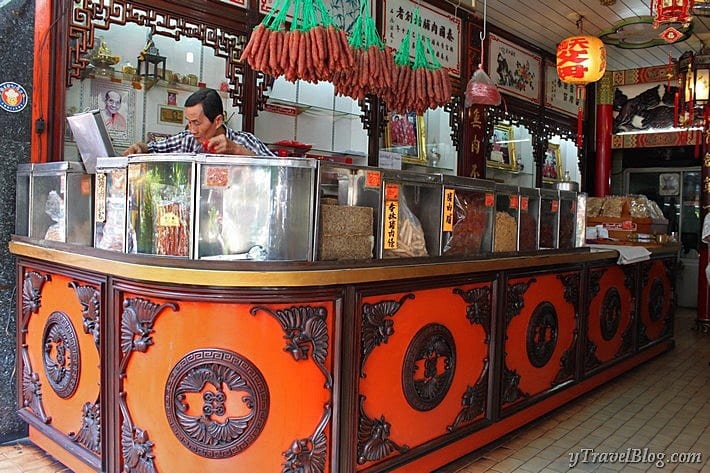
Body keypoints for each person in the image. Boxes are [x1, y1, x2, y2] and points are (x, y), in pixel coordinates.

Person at [123, 88, 273, 156]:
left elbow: (278, 171)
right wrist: (140, 147)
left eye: (197, 123)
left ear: (218, 120)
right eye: (189, 122)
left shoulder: (244, 140)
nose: (192, 129)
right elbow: (153, 148)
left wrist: (238, 150)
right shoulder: (187, 139)